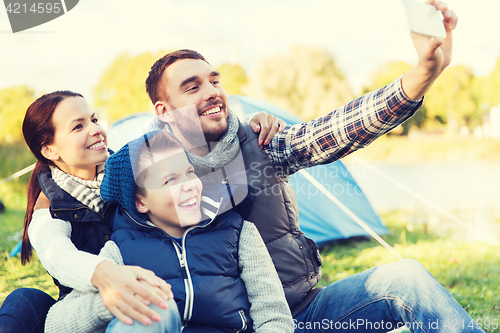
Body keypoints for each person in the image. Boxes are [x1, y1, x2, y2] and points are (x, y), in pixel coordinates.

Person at [141, 2, 483, 332]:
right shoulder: (144, 176)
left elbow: (337, 130)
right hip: (230, 327)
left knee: (405, 278)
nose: (212, 92)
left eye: (215, 81)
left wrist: (423, 73)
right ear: (163, 111)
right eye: (192, 87)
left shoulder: (260, 140)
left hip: (305, 313)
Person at [0, 91, 285, 333]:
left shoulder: (128, 172)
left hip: (154, 295)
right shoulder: (49, 208)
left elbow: (182, 143)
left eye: (94, 119)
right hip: (94, 305)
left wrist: (247, 127)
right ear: (49, 150)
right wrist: (107, 278)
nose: (95, 129)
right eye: (78, 127)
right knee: (24, 301)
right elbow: (59, 258)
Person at [45, 129, 293, 332]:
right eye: (169, 180)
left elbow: (273, 315)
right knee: (150, 310)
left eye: (189, 173)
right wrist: (109, 302)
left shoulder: (238, 233)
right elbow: (55, 324)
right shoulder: (119, 250)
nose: (189, 186)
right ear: (141, 202)